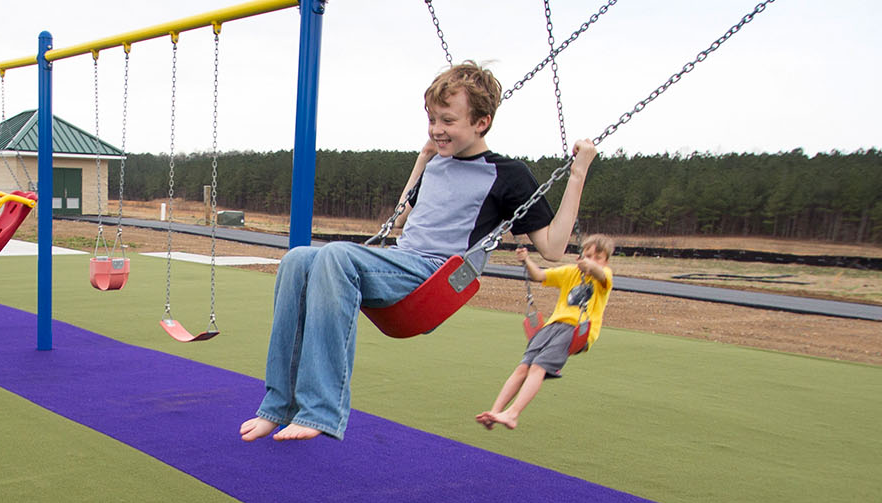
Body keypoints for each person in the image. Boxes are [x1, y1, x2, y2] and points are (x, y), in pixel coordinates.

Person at [240, 62, 597, 442]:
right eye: (431, 120)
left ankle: (320, 410)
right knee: (297, 259)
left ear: (481, 122)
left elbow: (553, 248)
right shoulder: (437, 162)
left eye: (447, 120)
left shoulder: (507, 174)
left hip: (438, 277)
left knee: (336, 256)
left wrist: (578, 174)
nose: (437, 129)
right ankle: (277, 406)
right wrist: (423, 160)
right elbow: (399, 220)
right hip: (401, 262)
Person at [476, 234, 616, 431]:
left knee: (537, 368)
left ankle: (513, 413)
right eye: (588, 255)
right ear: (580, 256)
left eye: (597, 257)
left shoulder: (605, 277)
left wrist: (590, 265)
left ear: (606, 261)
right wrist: (526, 260)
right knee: (522, 368)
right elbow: (539, 276)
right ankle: (495, 412)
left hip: (577, 329)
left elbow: (599, 273)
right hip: (552, 326)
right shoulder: (570, 272)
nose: (592, 260)